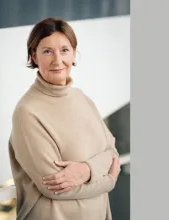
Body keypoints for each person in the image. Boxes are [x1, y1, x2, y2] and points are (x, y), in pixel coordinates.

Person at [8, 17, 121, 220]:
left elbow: (112, 152)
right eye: (47, 51)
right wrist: (108, 180)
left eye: (64, 50)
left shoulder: (82, 98)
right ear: (34, 56)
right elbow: (54, 187)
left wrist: (86, 169)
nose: (57, 60)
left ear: (73, 53)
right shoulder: (27, 112)